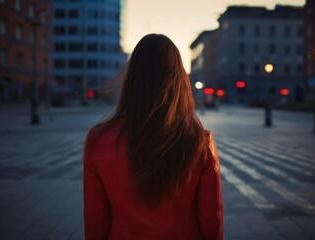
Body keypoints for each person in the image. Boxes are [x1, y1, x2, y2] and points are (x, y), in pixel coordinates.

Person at [83, 33, 223, 240]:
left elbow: (95, 220)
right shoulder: (199, 141)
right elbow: (212, 221)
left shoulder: (99, 139)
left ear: (131, 80)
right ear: (179, 80)